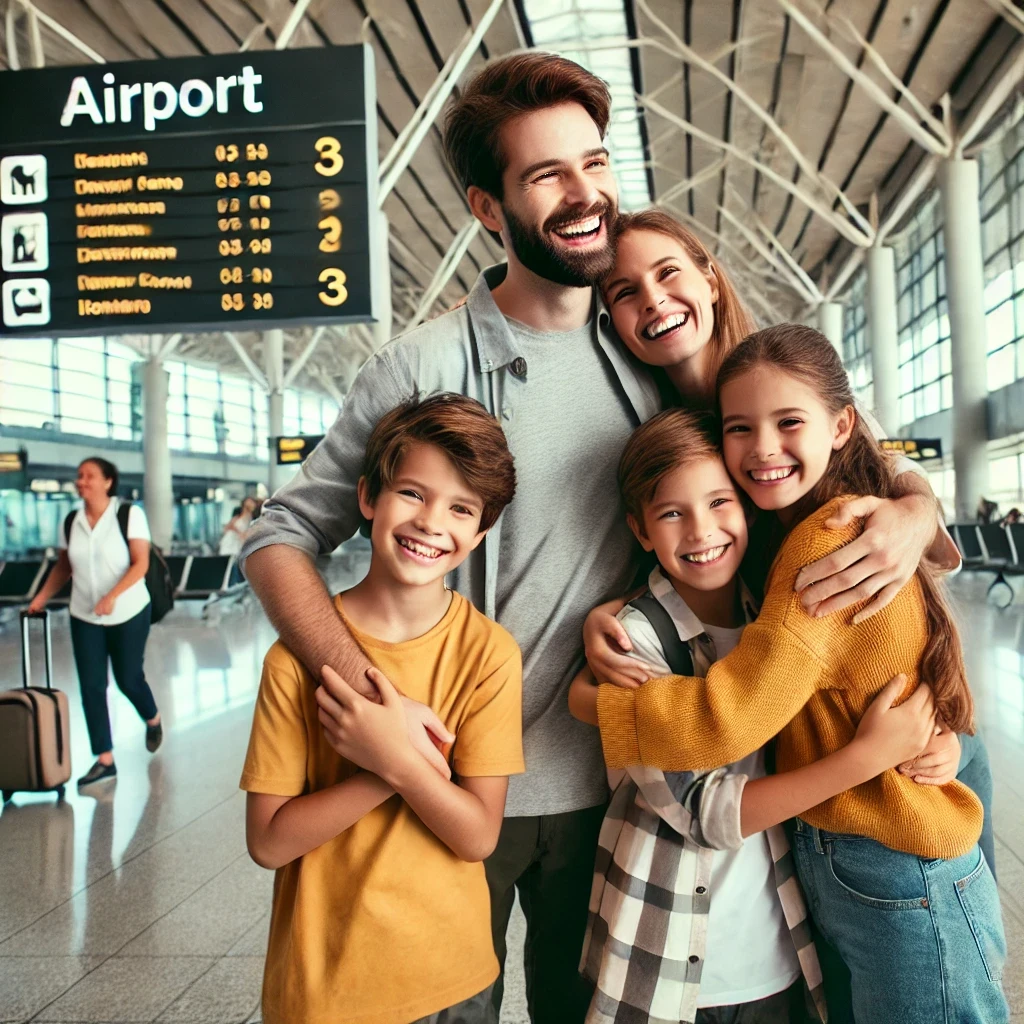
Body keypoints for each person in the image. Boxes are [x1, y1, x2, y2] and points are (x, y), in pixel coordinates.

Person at [238, 56, 953, 1023]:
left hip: (615, 789)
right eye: (546, 176)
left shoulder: (643, 352)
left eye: (595, 163)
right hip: (444, 780)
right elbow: (281, 535)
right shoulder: (424, 363)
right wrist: (373, 699)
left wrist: (916, 508)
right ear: (489, 209)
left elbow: (803, 443)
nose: (585, 196)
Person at [586, 325, 1009, 1024]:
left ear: (843, 425)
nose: (763, 449)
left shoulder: (826, 541)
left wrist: (598, 703)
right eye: (740, 429)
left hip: (897, 865)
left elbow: (731, 719)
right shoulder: (821, 520)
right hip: (875, 858)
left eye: (789, 423)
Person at [587, 207, 996, 878]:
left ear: (710, 278)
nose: (653, 300)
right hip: (831, 742)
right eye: (624, 292)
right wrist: (626, 605)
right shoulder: (658, 423)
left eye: (667, 273)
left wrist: (916, 511)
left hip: (909, 725)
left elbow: (879, 469)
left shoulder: (784, 365)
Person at [241, 394, 523, 1024]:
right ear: (367, 497)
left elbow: (477, 835)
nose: (431, 522)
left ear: (479, 533)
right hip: (326, 986)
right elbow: (268, 841)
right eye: (413, 494)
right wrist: (386, 767)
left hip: (454, 978)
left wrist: (395, 759)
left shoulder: (489, 655)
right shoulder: (295, 661)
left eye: (460, 509)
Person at [28, 457, 162, 788]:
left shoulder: (129, 515)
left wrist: (113, 595)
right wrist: (41, 596)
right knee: (91, 686)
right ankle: (104, 758)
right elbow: (64, 566)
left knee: (128, 679)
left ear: (108, 481)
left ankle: (153, 717)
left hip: (128, 609)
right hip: (84, 613)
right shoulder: (72, 519)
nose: (81, 481)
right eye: (79, 476)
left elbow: (140, 563)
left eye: (89, 476)